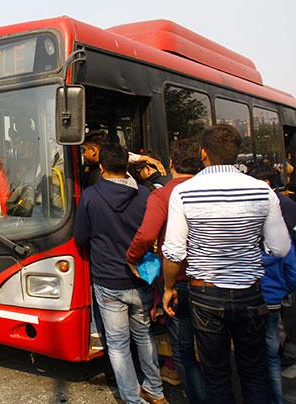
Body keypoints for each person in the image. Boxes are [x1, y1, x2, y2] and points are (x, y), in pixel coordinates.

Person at [162, 124, 291, 404]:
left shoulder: (184, 192)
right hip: (251, 294)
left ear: (203, 153)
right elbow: (280, 248)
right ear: (235, 154)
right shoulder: (262, 191)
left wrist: (168, 288)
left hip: (205, 294)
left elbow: (173, 252)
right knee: (254, 371)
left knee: (216, 373)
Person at [73, 143, 164, 404]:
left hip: (108, 281)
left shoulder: (90, 196)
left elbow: (81, 237)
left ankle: (131, 398)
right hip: (140, 278)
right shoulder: (144, 195)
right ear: (127, 166)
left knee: (118, 344)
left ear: (101, 167)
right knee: (144, 337)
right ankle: (155, 391)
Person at [125, 138, 206, 403]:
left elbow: (147, 234)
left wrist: (132, 257)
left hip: (180, 281)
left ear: (171, 164)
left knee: (183, 351)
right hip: (213, 282)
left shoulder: (162, 194)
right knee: (211, 348)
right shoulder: (211, 188)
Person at [249, 165, 296, 403]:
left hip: (249, 299)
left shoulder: (245, 234)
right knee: (271, 356)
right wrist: (283, 291)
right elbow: (291, 269)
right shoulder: (279, 234)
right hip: (273, 300)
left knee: (252, 357)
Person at [81, 130, 167, 188]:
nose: (83, 155)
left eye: (83, 150)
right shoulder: (141, 189)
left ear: (93, 150)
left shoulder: (97, 177)